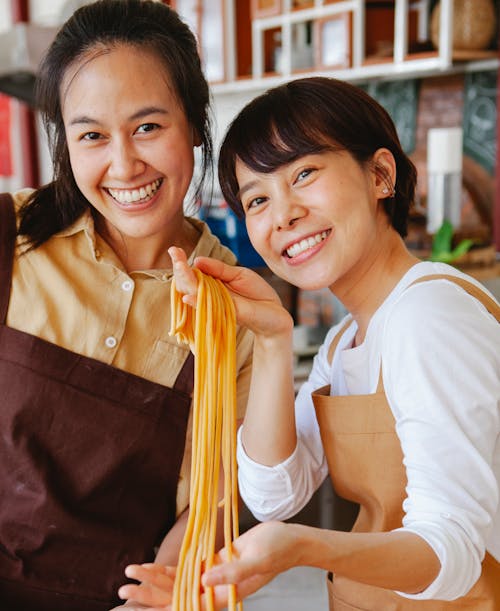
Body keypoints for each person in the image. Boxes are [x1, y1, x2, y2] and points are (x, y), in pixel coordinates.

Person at [118, 76, 500, 610]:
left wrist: (301, 546)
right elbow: (275, 494)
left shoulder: (428, 315)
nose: (283, 214)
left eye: (304, 173)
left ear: (380, 174)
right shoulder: (347, 340)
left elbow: (454, 553)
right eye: (256, 199)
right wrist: (273, 337)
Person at [0, 1, 254, 610]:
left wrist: (161, 592)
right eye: (92, 135)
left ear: (194, 122)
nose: (123, 165)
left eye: (147, 127)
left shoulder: (233, 306)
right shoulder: (9, 237)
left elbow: (213, 502)